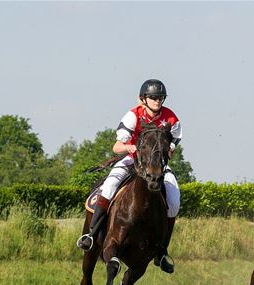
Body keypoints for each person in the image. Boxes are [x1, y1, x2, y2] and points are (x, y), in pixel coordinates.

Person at [77, 79, 182, 273]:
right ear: (143, 98)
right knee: (108, 187)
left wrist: (166, 152)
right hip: (132, 161)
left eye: (160, 98)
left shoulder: (171, 119)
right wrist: (128, 147)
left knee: (174, 200)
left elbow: (173, 145)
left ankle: (162, 251)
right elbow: (116, 147)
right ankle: (91, 235)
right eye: (153, 97)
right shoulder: (134, 115)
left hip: (157, 166)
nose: (158, 101)